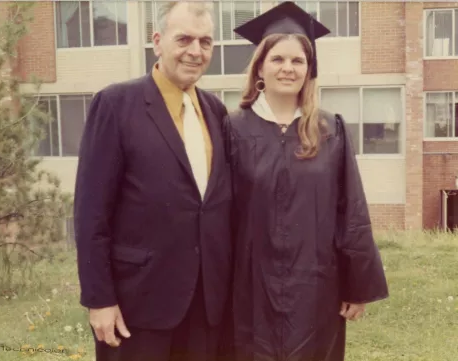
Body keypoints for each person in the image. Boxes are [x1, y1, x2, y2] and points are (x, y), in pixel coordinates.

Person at [222, 2, 389, 361]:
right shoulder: (233, 129)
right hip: (249, 288)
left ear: (309, 69)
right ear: (260, 68)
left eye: (298, 60)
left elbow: (352, 212)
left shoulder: (330, 130)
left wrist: (356, 284)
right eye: (278, 59)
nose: (288, 68)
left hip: (316, 286)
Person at [73, 2, 233, 361]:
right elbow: (90, 213)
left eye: (206, 42)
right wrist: (99, 301)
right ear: (157, 41)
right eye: (184, 39)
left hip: (205, 308)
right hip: (137, 307)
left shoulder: (216, 111)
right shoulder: (115, 104)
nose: (195, 51)